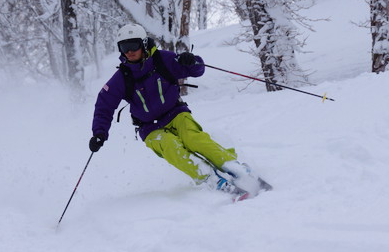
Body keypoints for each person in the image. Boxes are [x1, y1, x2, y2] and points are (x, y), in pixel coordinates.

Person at [89, 23, 265, 197]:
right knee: (171, 147)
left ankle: (235, 168)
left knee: (194, 139)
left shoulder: (162, 60)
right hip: (150, 127)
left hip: (176, 114)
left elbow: (197, 70)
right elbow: (104, 105)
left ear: (143, 43)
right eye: (124, 47)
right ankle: (211, 178)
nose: (129, 51)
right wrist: (99, 132)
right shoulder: (122, 77)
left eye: (133, 45)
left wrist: (191, 61)